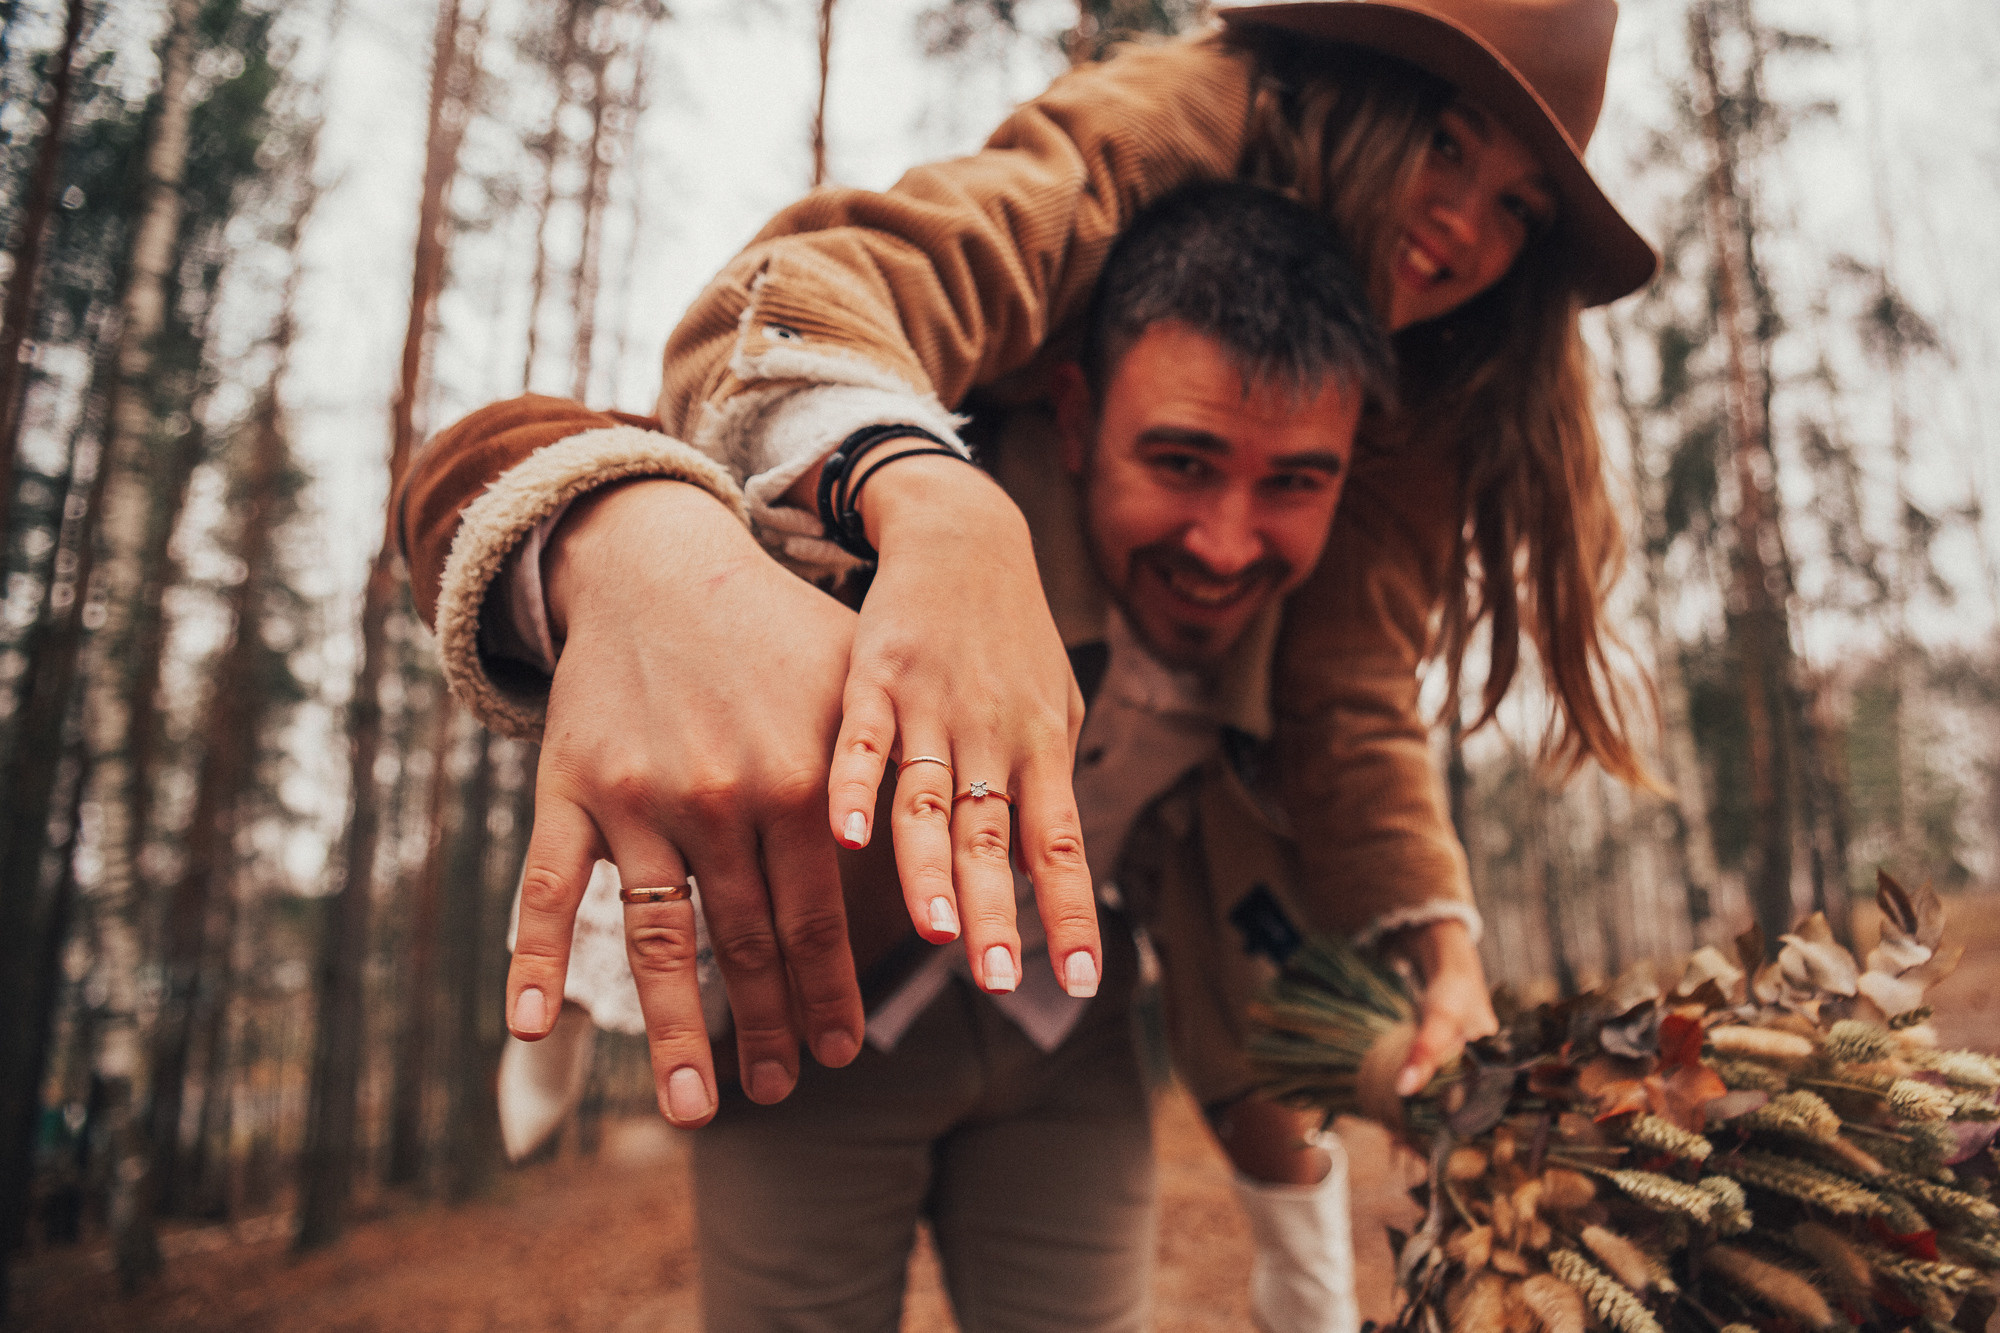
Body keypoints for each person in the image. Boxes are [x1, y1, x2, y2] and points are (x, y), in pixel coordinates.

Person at [397, 0, 1660, 1326]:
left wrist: (1435, 942)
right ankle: (579, 992)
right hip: (825, 978)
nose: (1466, 227)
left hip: (1075, 992)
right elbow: (821, 302)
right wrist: (925, 501)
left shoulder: (1397, 434)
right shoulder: (1169, 132)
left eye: (1521, 207)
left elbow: (1351, 708)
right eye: (1446, 147)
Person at [497, 179, 1392, 1331]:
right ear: (1073, 419)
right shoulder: (883, 493)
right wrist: (617, 544)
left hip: (1071, 1027)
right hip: (812, 1014)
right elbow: (580, 466)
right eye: (1179, 462)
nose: (1223, 542)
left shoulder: (1311, 642)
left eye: (1291, 480)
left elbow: (1260, 892)